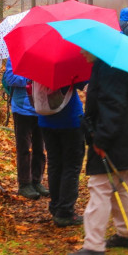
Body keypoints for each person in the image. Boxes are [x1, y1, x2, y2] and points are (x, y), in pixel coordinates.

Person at [66, 51, 128, 255]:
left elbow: (113, 107)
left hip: (115, 141)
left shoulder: (108, 69)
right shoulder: (111, 65)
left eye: (83, 49)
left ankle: (93, 246)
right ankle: (125, 234)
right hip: (123, 139)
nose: (81, 53)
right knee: (119, 186)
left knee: (99, 187)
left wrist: (101, 141)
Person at [37, 83, 87, 227]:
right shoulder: (68, 66)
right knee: (71, 165)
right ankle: (65, 212)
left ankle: (56, 205)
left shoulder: (39, 65)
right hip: (70, 120)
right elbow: (84, 84)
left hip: (46, 121)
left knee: (54, 164)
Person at [3, 57, 48, 200]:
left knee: (40, 149)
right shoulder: (15, 56)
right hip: (22, 108)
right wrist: (30, 78)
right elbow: (10, 78)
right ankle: (24, 184)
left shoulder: (43, 55)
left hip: (40, 108)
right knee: (24, 148)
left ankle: (37, 181)